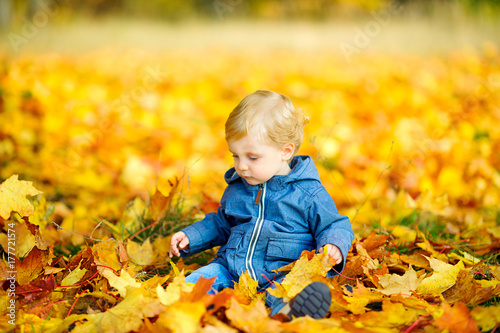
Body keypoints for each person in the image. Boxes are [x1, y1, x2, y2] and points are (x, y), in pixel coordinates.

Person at [169, 89, 354, 318]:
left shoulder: (308, 193)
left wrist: (334, 245)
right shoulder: (238, 188)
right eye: (235, 156)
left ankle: (290, 312)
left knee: (288, 290)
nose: (241, 166)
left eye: (252, 157)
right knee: (202, 279)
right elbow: (221, 223)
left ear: (285, 151)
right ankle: (189, 306)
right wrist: (191, 237)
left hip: (278, 275)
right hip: (232, 270)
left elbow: (334, 225)